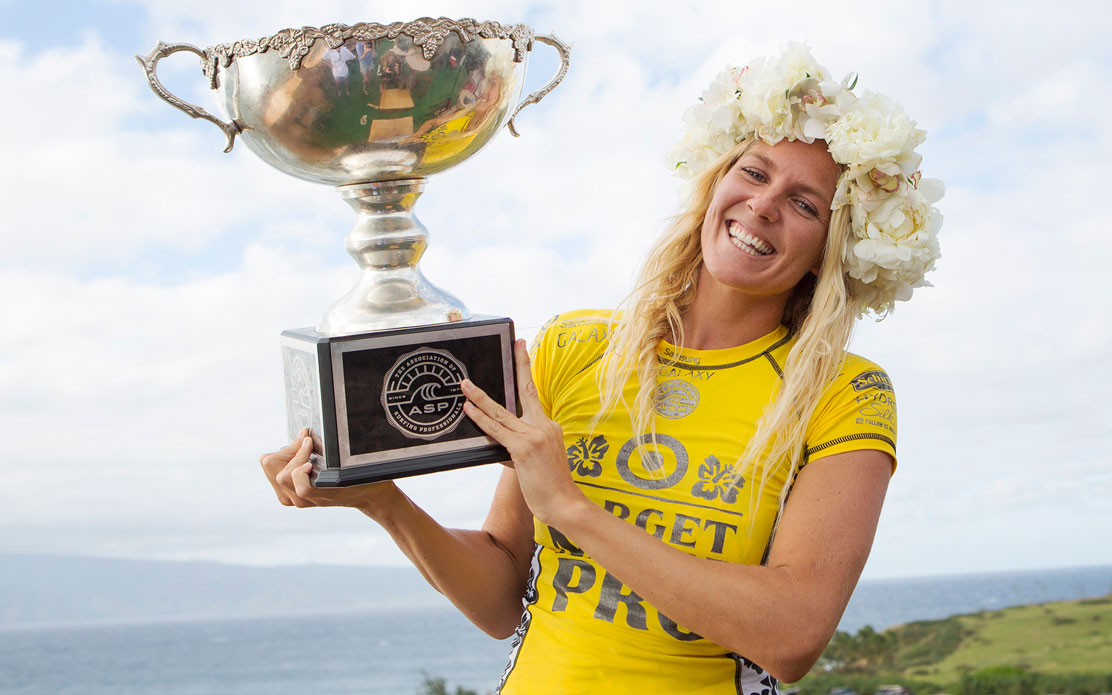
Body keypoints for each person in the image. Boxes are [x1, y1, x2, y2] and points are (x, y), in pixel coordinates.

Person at [261, 43, 943, 694]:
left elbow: (792, 635)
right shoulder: (572, 347)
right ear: (715, 182)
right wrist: (382, 498)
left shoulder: (844, 393)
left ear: (830, 247)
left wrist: (569, 508)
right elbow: (502, 594)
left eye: (804, 204)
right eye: (754, 172)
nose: (763, 204)